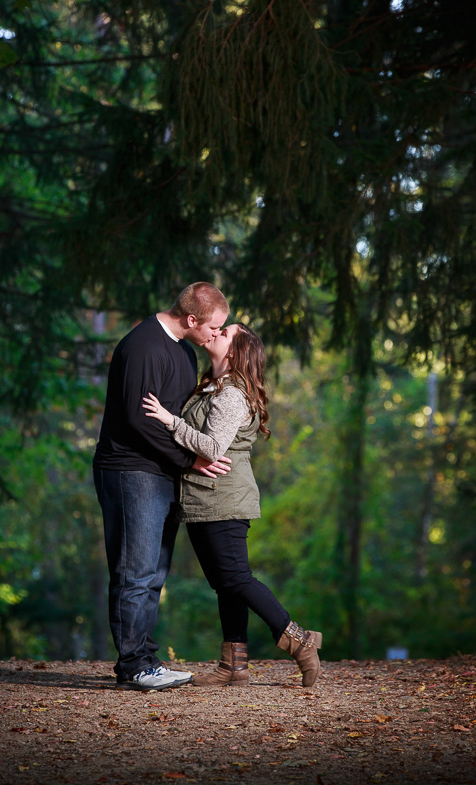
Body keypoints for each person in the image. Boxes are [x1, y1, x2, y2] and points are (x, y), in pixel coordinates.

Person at [142, 322, 323, 688]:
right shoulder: (212, 386)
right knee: (225, 584)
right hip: (206, 498)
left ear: (236, 352)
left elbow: (210, 447)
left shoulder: (231, 396)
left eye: (225, 332)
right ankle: (234, 665)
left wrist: (167, 420)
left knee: (236, 578)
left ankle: (298, 639)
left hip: (223, 498)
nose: (216, 332)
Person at [93, 282, 232, 690]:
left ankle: (146, 658)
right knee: (133, 573)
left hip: (162, 474)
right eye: (213, 328)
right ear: (192, 319)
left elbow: (177, 419)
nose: (214, 336)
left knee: (153, 573)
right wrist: (191, 460)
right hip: (129, 472)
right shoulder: (143, 347)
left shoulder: (183, 351)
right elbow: (139, 422)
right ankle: (133, 666)